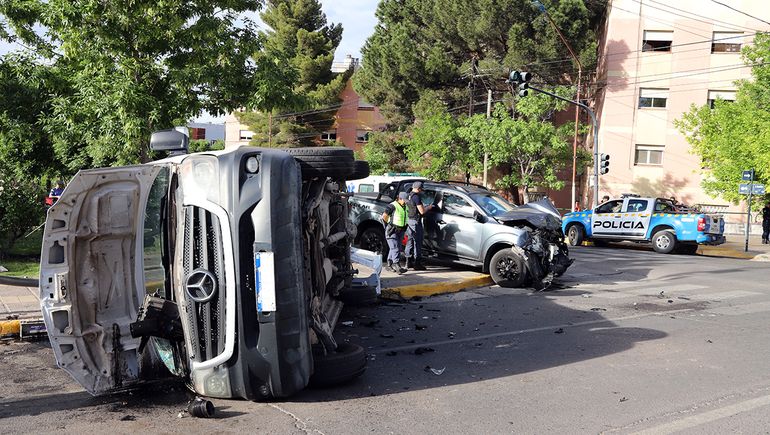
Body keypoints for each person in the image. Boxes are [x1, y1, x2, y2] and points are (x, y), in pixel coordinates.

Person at [405, 181, 435, 270]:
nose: (422, 191)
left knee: (409, 242)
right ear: (418, 189)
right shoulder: (416, 197)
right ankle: (417, 264)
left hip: (409, 220)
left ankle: (408, 262)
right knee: (417, 242)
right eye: (421, 189)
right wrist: (429, 207)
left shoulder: (408, 195)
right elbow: (422, 211)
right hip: (415, 222)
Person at [381, 191, 409, 274]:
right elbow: (384, 216)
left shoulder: (405, 206)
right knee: (395, 248)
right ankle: (397, 266)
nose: (405, 201)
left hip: (401, 230)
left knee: (395, 248)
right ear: (399, 199)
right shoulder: (392, 206)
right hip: (392, 230)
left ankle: (389, 265)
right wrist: (388, 225)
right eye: (404, 200)